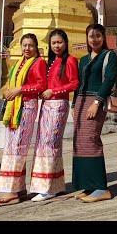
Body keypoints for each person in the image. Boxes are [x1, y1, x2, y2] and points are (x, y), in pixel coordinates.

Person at [0, 34, 47, 206]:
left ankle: (13, 192)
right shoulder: (18, 63)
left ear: (36, 47)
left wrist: (20, 90)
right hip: (14, 108)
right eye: (24, 45)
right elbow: (11, 85)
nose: (27, 48)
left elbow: (40, 86)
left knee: (18, 148)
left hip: (26, 107)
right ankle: (20, 189)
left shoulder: (38, 63)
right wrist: (10, 92)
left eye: (30, 45)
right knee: (11, 148)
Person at [30, 29, 79, 202]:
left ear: (65, 43)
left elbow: (74, 83)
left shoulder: (70, 60)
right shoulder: (50, 62)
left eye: (59, 42)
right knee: (45, 145)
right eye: (53, 43)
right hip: (47, 105)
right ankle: (56, 185)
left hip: (59, 105)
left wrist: (54, 91)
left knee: (50, 144)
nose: (57, 45)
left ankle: (47, 187)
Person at [72, 23, 117, 203]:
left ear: (103, 37)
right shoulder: (83, 59)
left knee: (91, 140)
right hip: (80, 102)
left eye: (98, 35)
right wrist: (73, 105)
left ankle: (101, 187)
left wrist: (97, 102)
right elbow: (78, 84)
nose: (95, 39)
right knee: (80, 143)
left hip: (95, 101)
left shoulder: (109, 55)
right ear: (87, 38)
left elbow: (109, 79)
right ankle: (88, 185)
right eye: (91, 36)